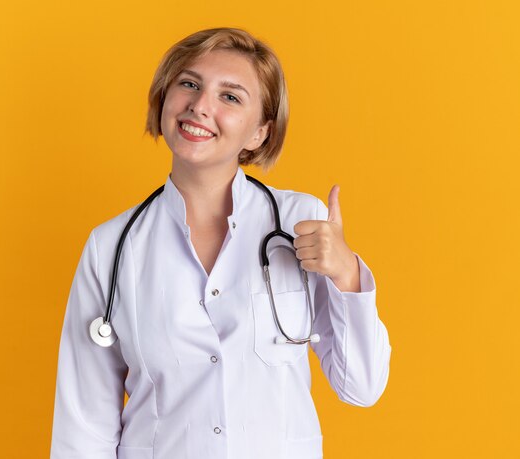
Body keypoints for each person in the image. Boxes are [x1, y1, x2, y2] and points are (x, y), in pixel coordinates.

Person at [50, 27, 391, 459]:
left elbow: (361, 386)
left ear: (259, 134)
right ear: (163, 102)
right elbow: (84, 426)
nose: (200, 105)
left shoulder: (300, 222)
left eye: (230, 97)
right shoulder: (112, 246)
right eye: (189, 84)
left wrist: (346, 273)